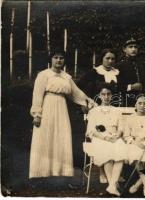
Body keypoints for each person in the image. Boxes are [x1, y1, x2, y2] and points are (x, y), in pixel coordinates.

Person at [29, 49, 94, 179]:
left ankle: (60, 172)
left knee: (62, 136)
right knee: (45, 137)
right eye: (56, 57)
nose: (59, 60)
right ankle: (40, 172)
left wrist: (87, 102)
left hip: (61, 107)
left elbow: (76, 93)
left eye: (61, 58)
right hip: (47, 106)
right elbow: (37, 95)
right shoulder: (43, 75)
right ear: (51, 59)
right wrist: (37, 114)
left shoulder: (66, 77)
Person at [85, 86, 127, 196]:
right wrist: (104, 137)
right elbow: (90, 131)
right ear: (99, 95)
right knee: (107, 152)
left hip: (114, 137)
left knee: (121, 151)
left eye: (109, 94)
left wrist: (117, 135)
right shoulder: (94, 111)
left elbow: (121, 128)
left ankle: (112, 185)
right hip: (100, 138)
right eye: (104, 94)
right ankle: (113, 185)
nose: (106, 97)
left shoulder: (117, 111)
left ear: (112, 95)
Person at [123, 94, 145, 197]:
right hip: (135, 143)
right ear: (135, 105)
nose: (142, 105)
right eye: (140, 103)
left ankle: (139, 183)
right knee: (134, 154)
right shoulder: (130, 118)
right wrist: (137, 143)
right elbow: (126, 136)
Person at [117, 38, 145, 107]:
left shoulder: (142, 64)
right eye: (130, 47)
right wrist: (131, 87)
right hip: (126, 99)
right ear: (124, 49)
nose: (133, 49)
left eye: (135, 47)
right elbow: (118, 85)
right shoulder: (120, 66)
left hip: (142, 99)